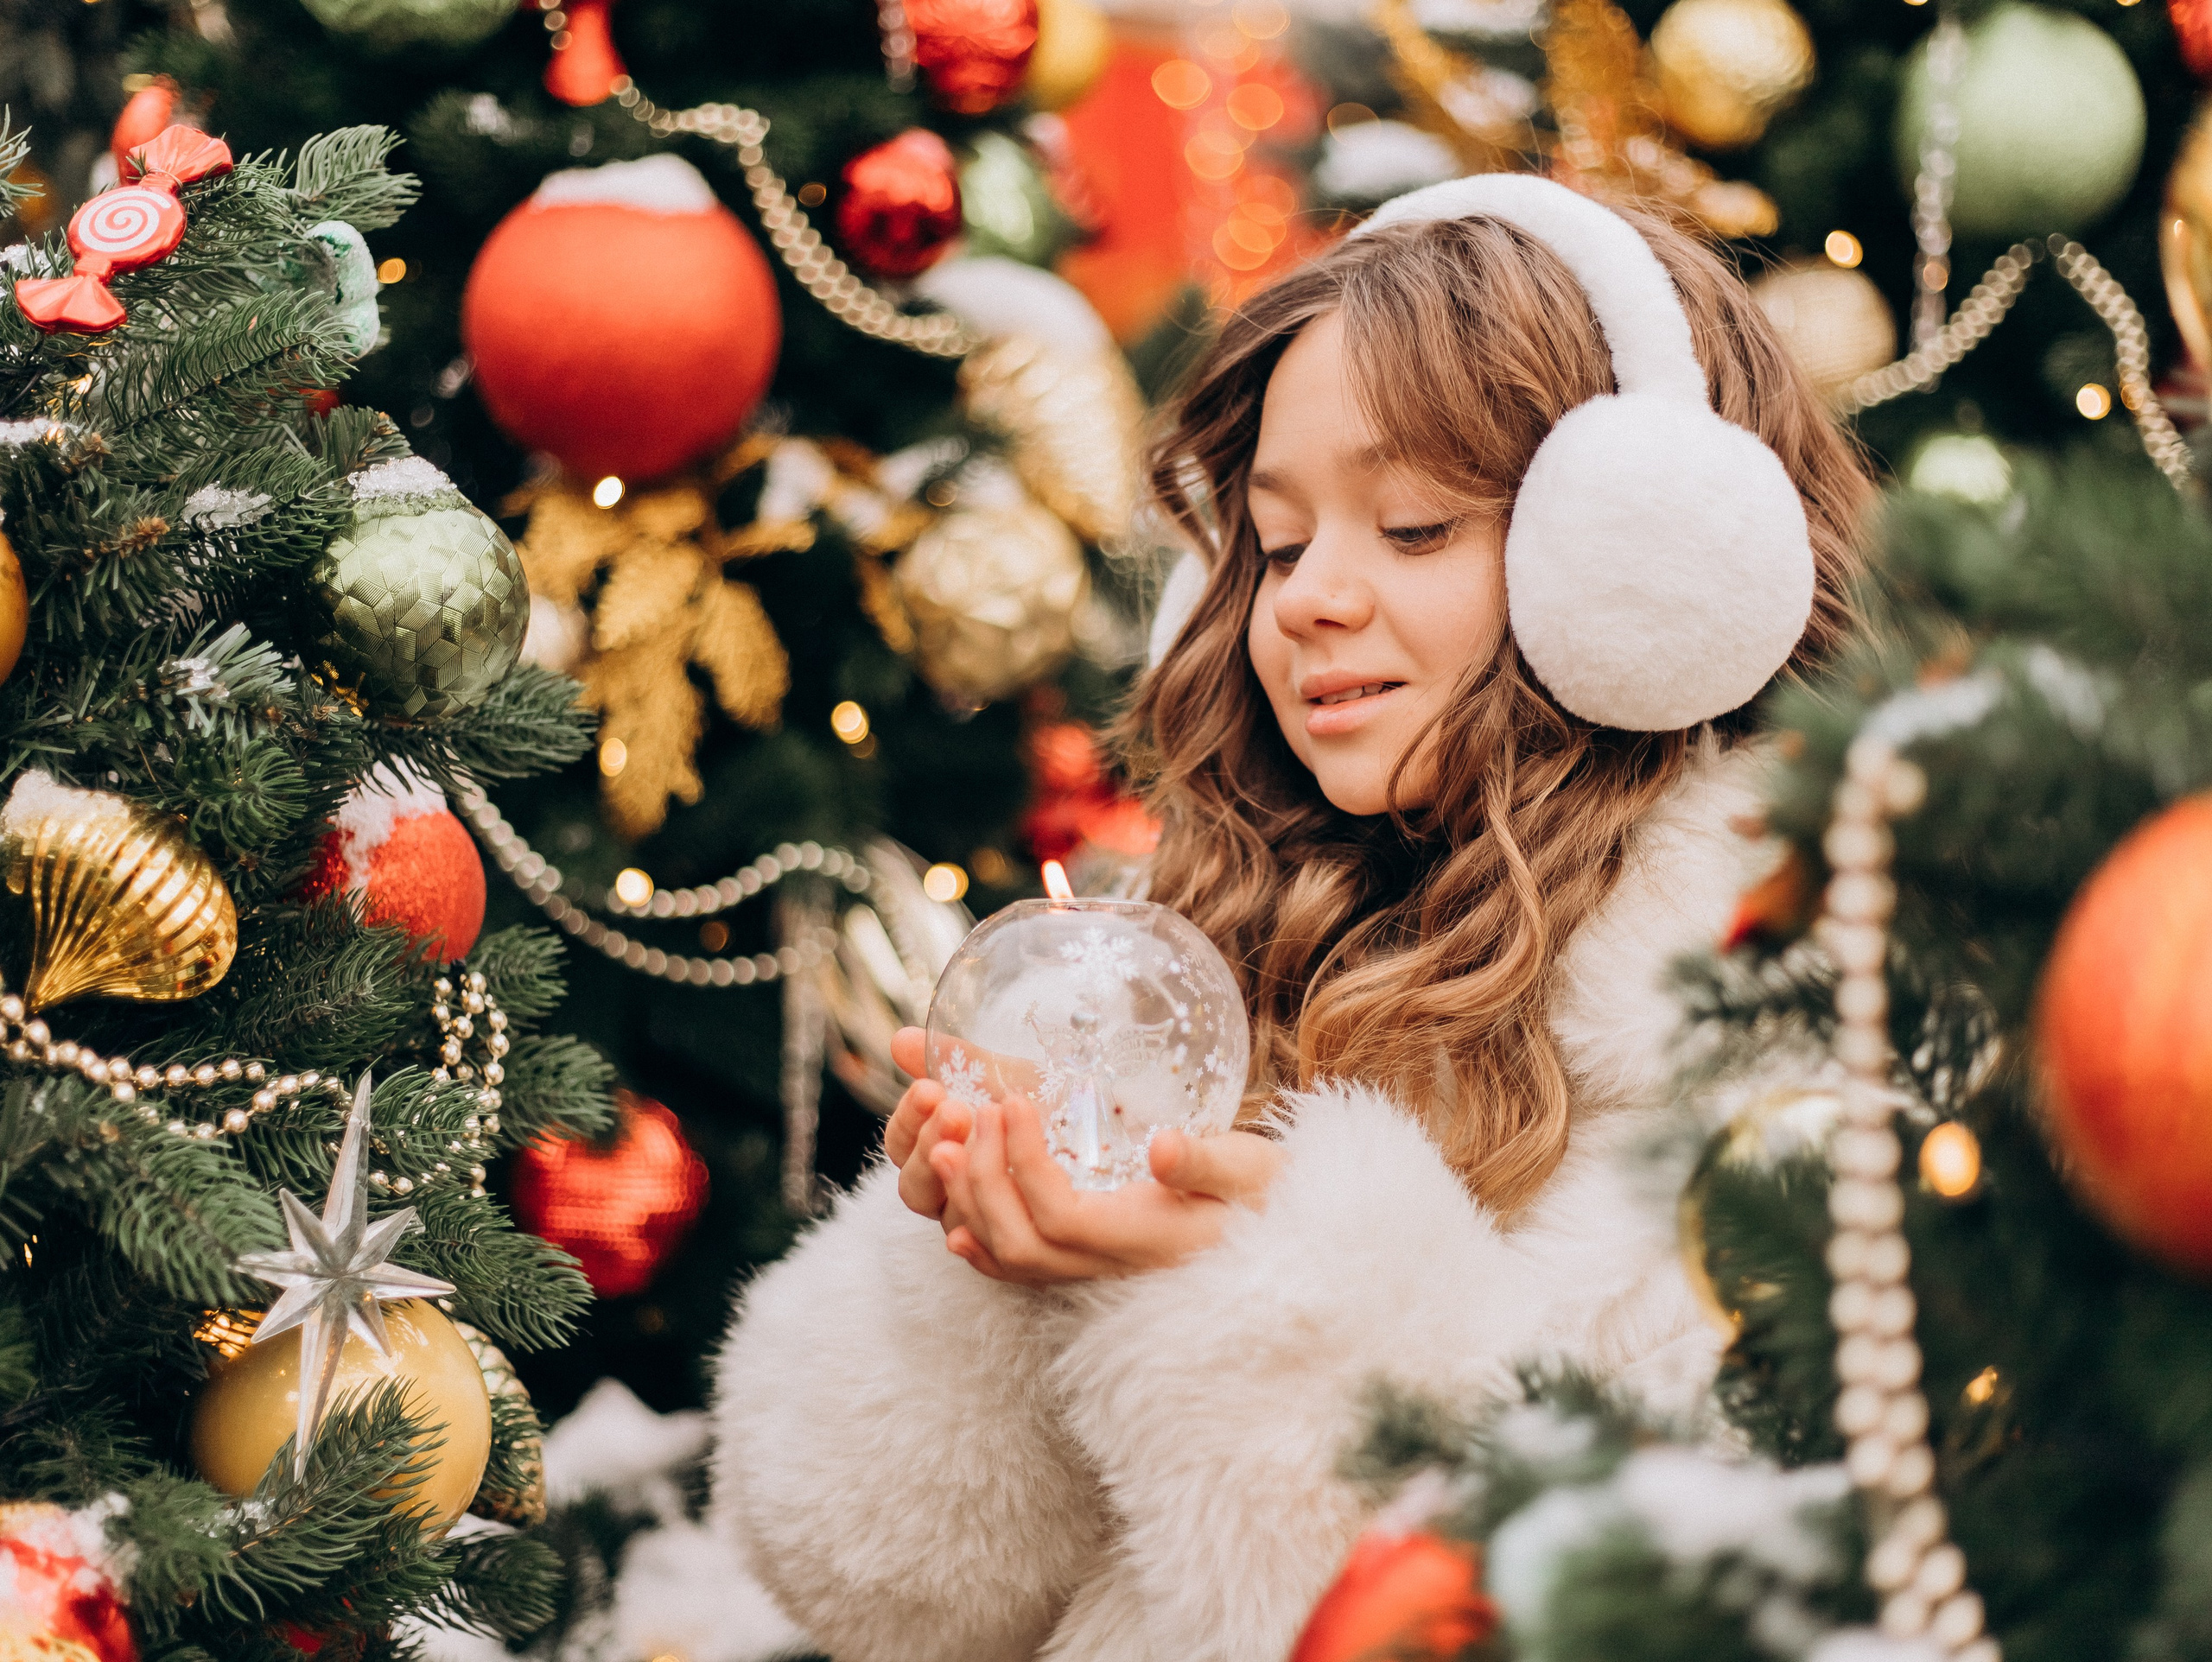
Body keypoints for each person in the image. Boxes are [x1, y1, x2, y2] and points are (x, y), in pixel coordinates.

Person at [709, 175, 1873, 1662]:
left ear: (1647, 564)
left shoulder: (1793, 1037)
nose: (1309, 598)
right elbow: (874, 1578)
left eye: (1413, 526)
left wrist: (1246, 1295)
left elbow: (1638, 1607)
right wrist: (988, 1284)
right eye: (1275, 540)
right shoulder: (1224, 957)